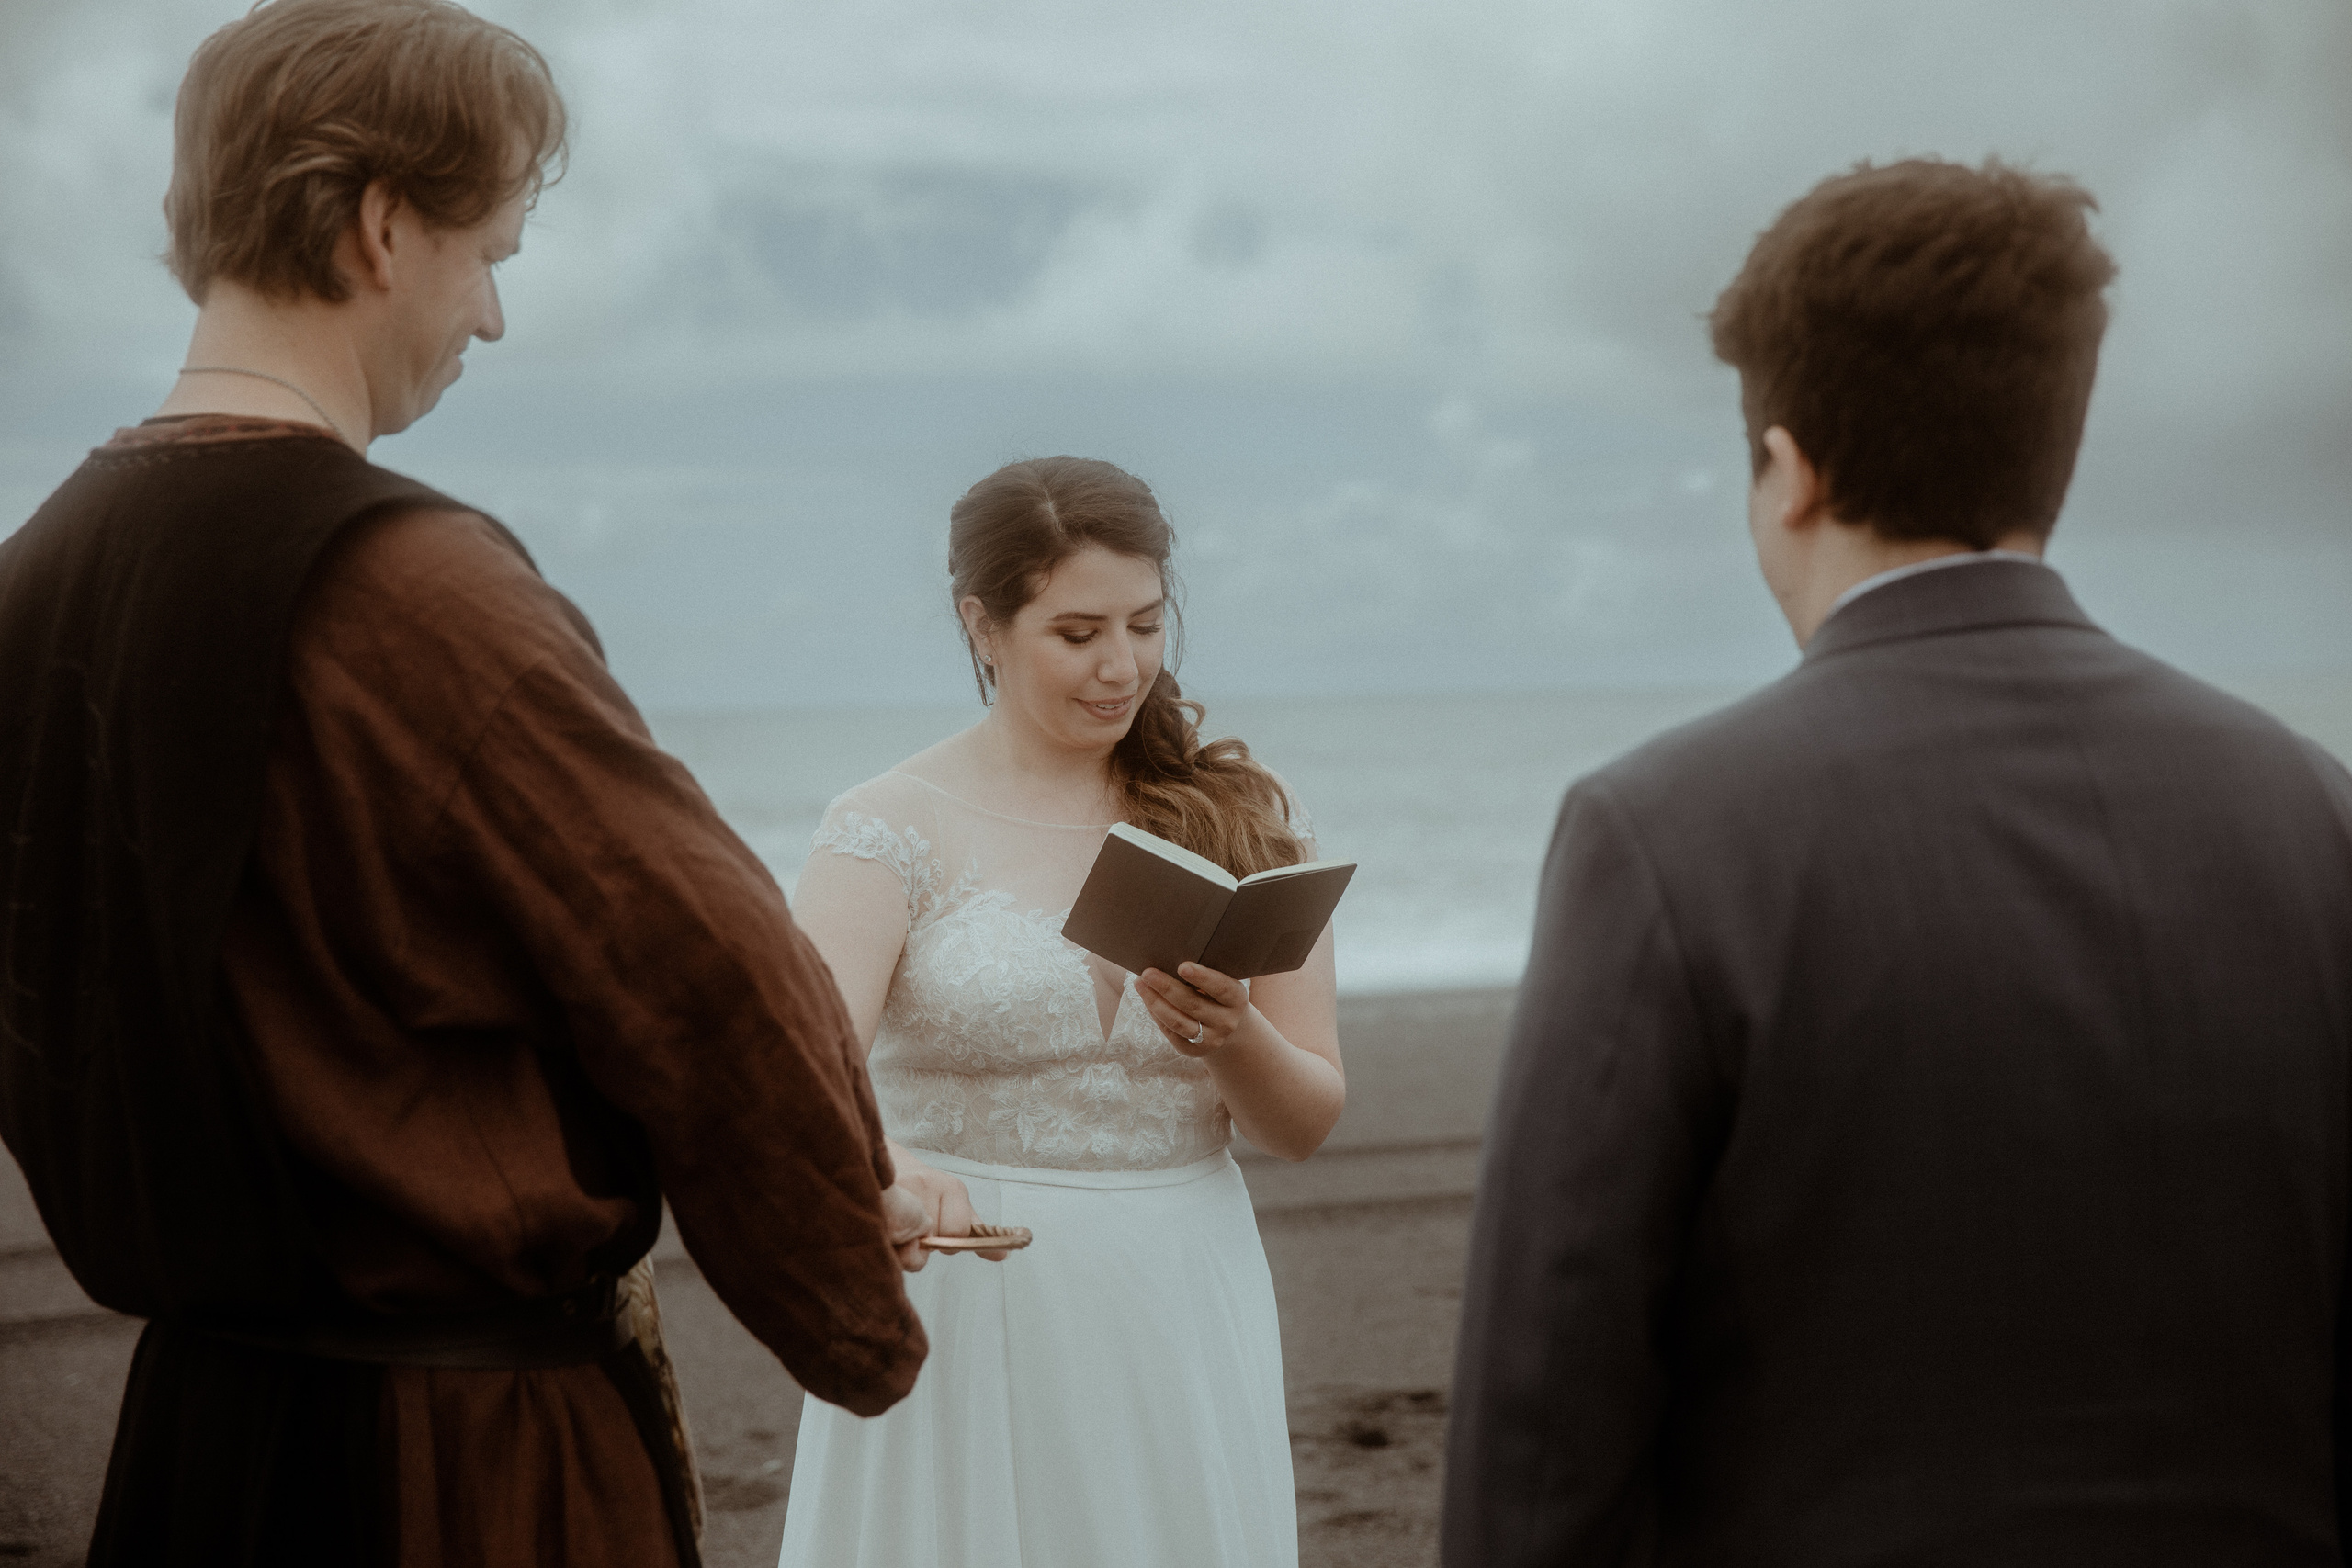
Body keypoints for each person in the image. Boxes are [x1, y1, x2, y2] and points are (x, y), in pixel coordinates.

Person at [0, 4, 929, 1563]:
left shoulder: (31, 583)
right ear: (381, 225)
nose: (491, 314)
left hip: (194, 1444)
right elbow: (708, 971)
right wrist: (847, 1295)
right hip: (455, 1457)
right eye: (488, 249)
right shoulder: (412, 588)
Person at [1444, 156, 2352, 1565]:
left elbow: (1542, 1424)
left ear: (1788, 470)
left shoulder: (1665, 830)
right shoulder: (2318, 812)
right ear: (2055, 448)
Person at [775, 456, 1344, 1566]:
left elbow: (1303, 1124)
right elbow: (798, 1081)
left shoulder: (1238, 816)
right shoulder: (883, 826)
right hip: (965, 1293)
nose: (1121, 666)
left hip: (1179, 1288)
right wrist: (879, 1169)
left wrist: (1232, 1039)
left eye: (1144, 623)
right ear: (982, 626)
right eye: (1078, 634)